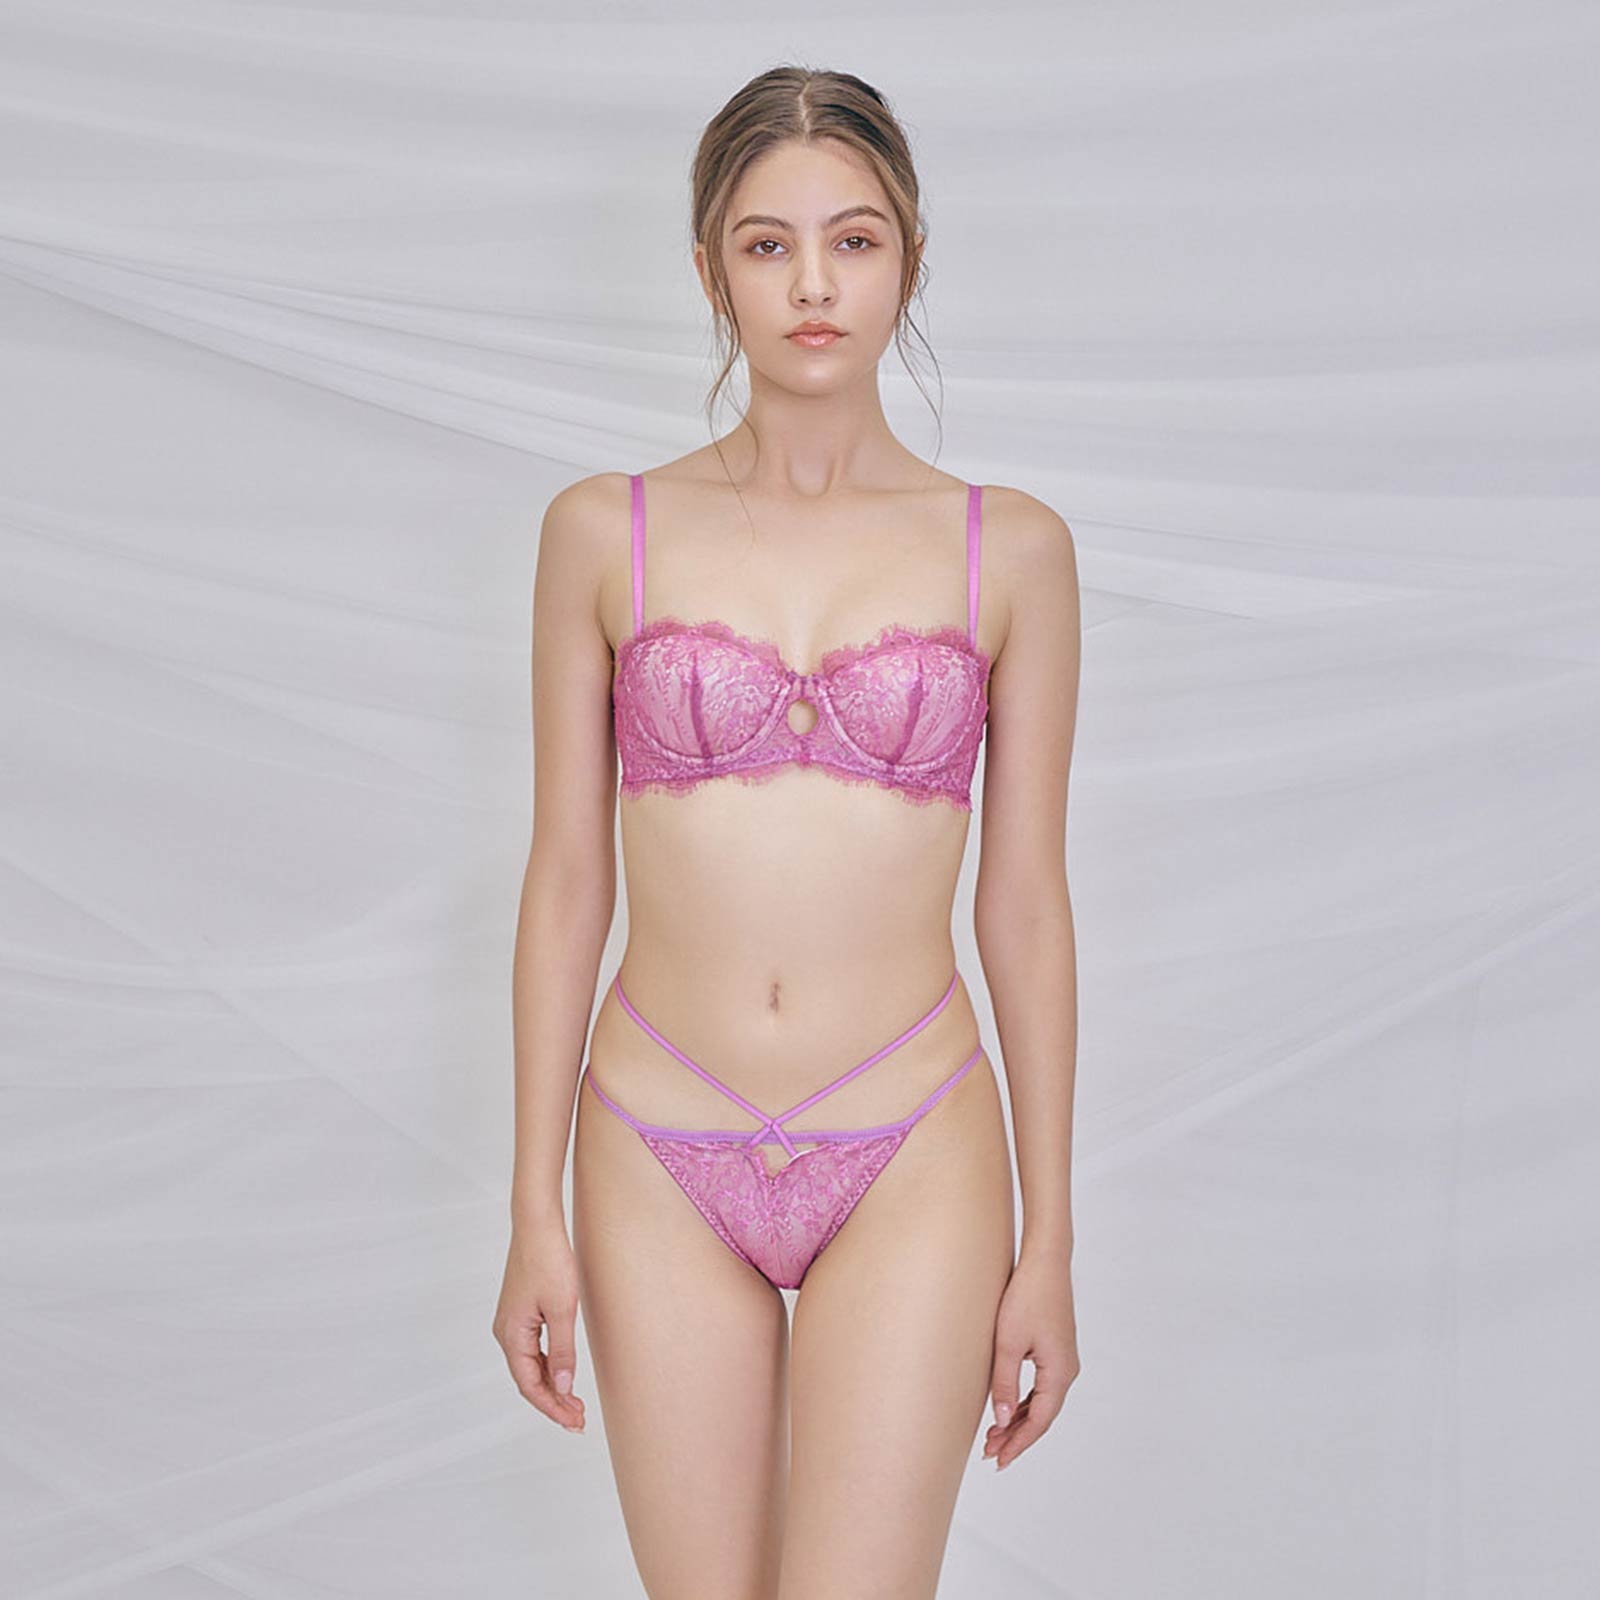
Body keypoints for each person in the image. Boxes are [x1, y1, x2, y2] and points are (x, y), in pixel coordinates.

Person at [494, 64, 1082, 1599]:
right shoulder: (601, 533)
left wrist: (1053, 1244)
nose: (813, 285)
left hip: (913, 1141)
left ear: (910, 260)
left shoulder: (1011, 551)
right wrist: (530, 1207)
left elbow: (1025, 907)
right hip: (654, 1135)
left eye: (854, 241)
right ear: (710, 271)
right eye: (768, 245)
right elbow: (566, 882)